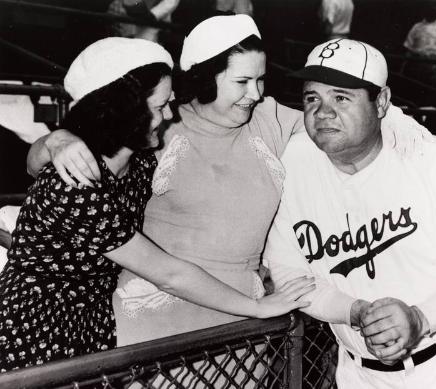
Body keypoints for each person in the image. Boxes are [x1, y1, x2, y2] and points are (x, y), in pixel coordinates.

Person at [27, 15, 429, 347]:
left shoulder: (268, 117)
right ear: (205, 78)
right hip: (158, 318)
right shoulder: (160, 125)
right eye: (241, 82)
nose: (254, 93)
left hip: (243, 321)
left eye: (261, 79)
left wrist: (401, 123)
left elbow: (342, 119)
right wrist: (58, 139)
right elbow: (51, 164)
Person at [0, 36, 314, 372]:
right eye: (159, 107)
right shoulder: (77, 187)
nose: (168, 117)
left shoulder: (137, 161)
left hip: (91, 325)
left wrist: (57, 138)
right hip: (36, 332)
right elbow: (169, 274)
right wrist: (257, 308)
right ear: (123, 109)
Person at [263, 38, 436, 389]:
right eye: (312, 98)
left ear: (382, 102)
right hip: (362, 375)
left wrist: (420, 319)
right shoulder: (293, 164)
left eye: (341, 97)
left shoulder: (432, 158)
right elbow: (289, 275)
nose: (322, 111)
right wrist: (354, 310)